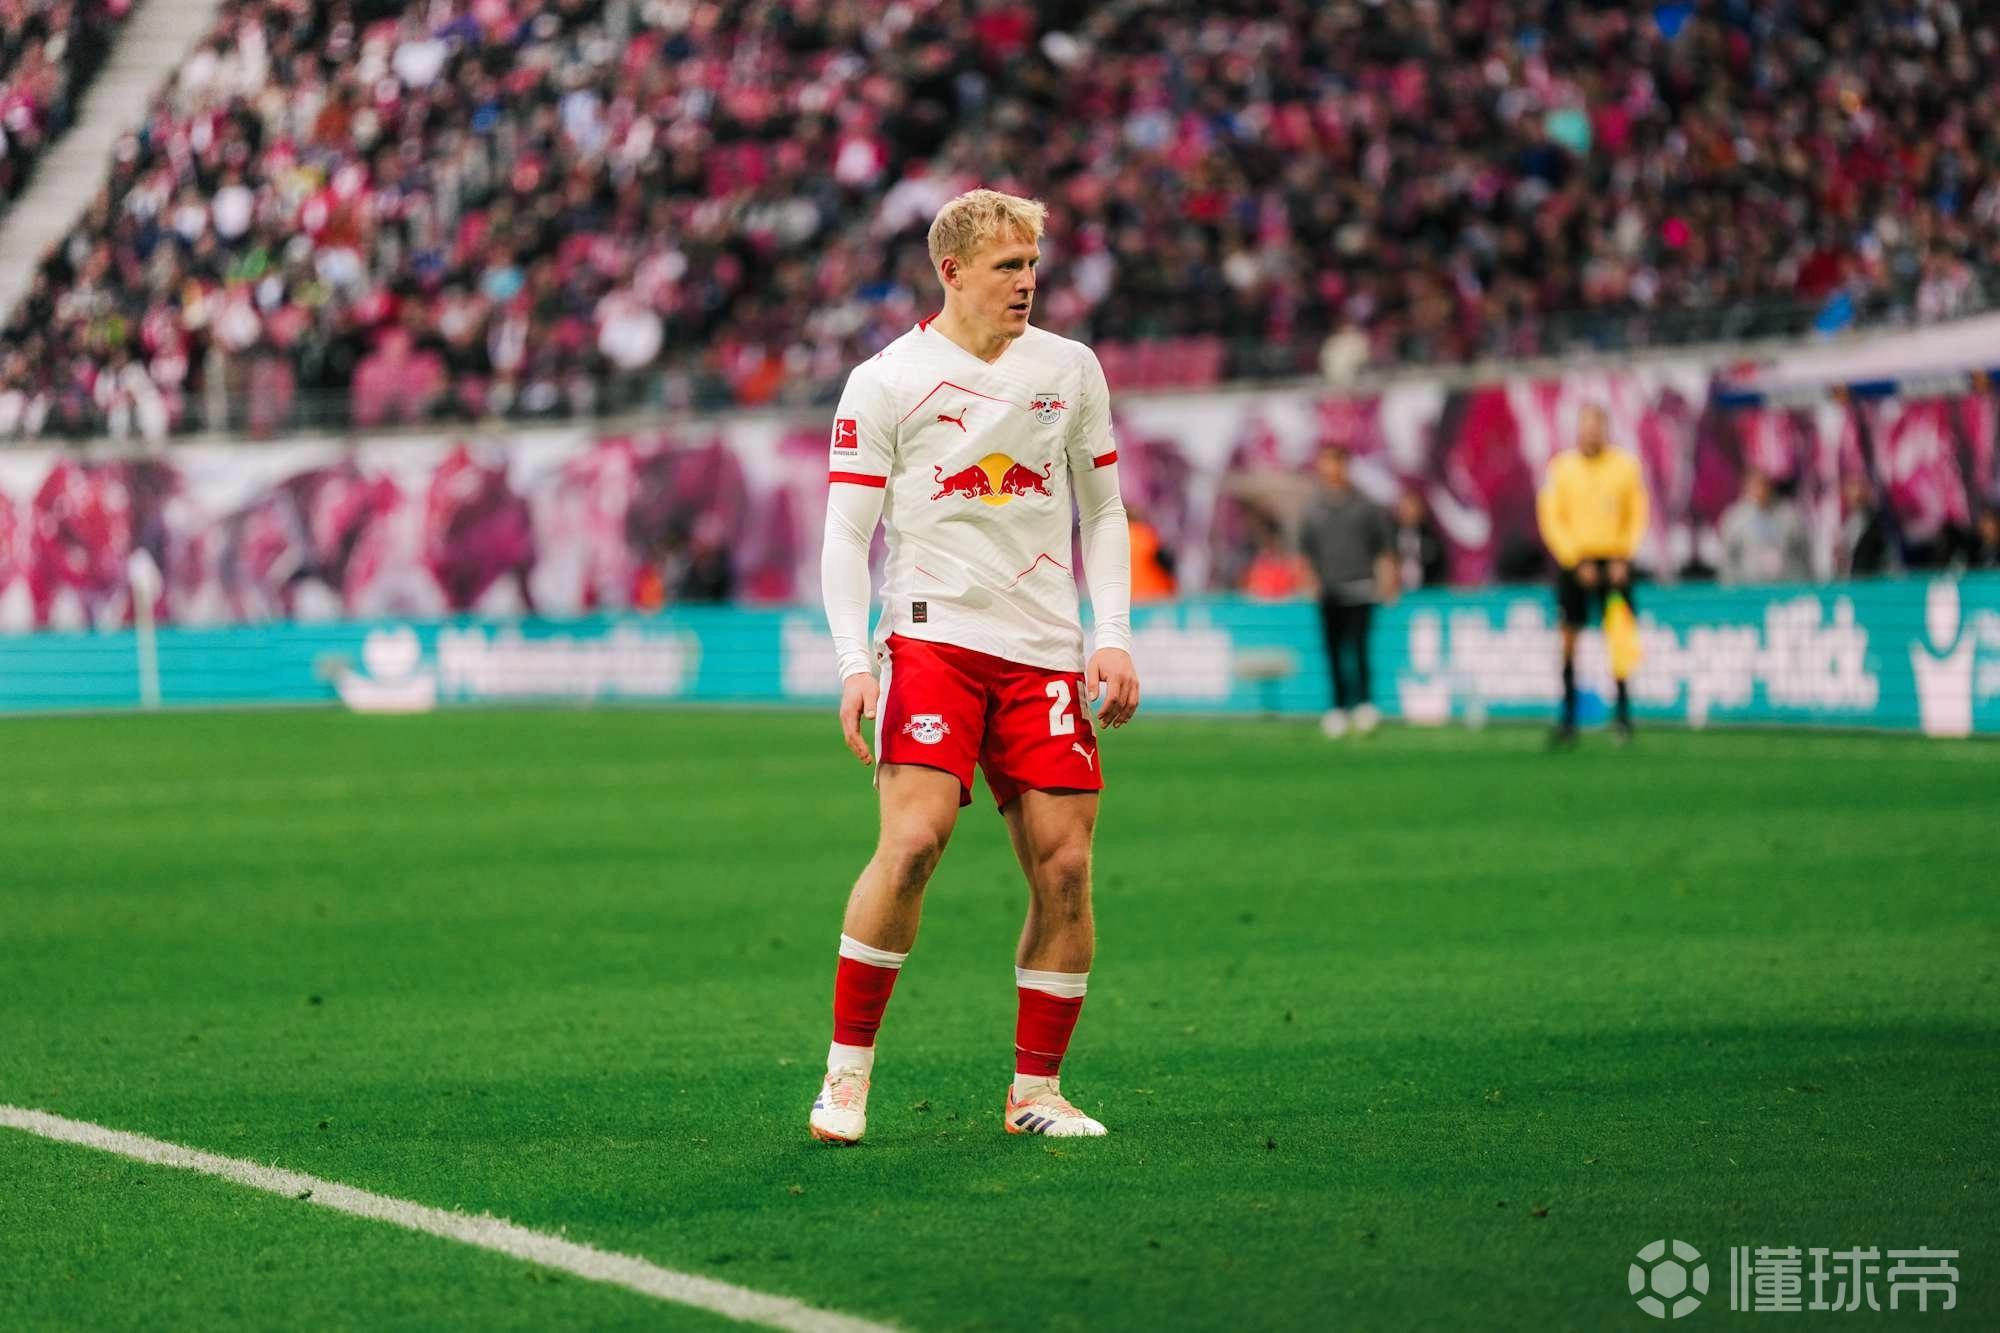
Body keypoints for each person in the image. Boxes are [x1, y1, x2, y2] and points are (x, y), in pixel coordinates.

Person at [812, 190, 1140, 1144]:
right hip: (932, 638)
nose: (1027, 281)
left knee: (1066, 866)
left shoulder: (1070, 369)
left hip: (1043, 649)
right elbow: (847, 534)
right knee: (914, 842)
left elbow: (1103, 511)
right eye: (1008, 266)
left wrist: (1112, 633)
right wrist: (854, 660)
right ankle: (845, 1077)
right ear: (952, 272)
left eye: (1033, 264)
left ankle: (1036, 1092)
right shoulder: (886, 380)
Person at [1536, 402, 1649, 745]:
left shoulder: (1625, 467)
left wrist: (1623, 556)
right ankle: (1568, 719)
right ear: (1578, 430)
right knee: (1569, 638)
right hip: (1576, 563)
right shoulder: (1561, 468)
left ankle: (1623, 717)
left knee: (1619, 636)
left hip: (1614, 563)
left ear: (1606, 429)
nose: (1591, 432)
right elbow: (1551, 518)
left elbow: (1638, 514)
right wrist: (1574, 559)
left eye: (1597, 426)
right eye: (1586, 426)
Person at [1298, 446, 1395, 737]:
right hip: (1330, 591)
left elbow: (1383, 549)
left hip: (1361, 587)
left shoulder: (1365, 506)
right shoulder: (1313, 510)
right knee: (1333, 651)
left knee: (1359, 648)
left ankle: (1364, 704)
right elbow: (1305, 554)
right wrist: (1310, 583)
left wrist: (1387, 581)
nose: (1329, 469)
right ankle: (1337, 707)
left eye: (1334, 463)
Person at [1717, 469, 1812, 583]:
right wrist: (1729, 586)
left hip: (1785, 586)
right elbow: (1727, 557)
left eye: (1764, 485)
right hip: (1747, 587)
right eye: (1755, 485)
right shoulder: (1736, 517)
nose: (1760, 490)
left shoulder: (1789, 515)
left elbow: (1804, 552)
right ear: (1747, 487)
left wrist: (1804, 583)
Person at [1390, 487, 1447, 591]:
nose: (1406, 512)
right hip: (1396, 592)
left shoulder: (1432, 535)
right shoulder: (1389, 534)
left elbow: (1438, 565)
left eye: (1410, 507)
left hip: (1426, 591)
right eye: (1403, 508)